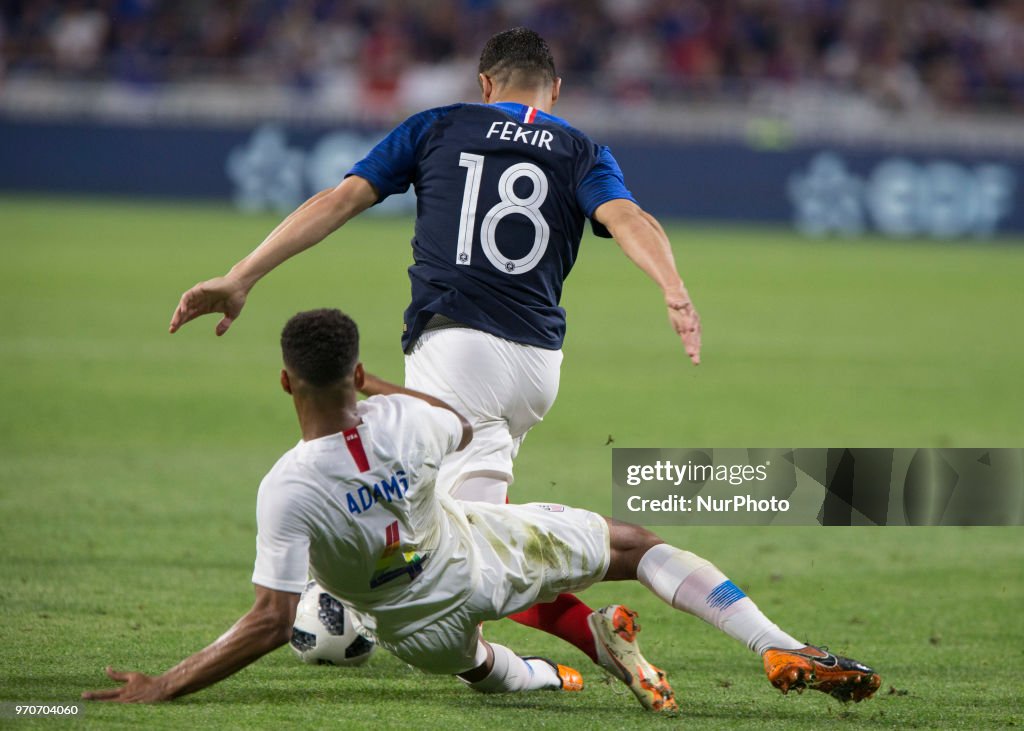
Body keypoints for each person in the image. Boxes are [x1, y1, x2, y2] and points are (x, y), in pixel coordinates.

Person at [167, 25, 700, 686]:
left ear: (483, 84)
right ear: (555, 91)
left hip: (456, 349)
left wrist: (242, 274)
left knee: (454, 557)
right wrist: (673, 288)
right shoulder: (581, 147)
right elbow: (629, 219)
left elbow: (338, 200)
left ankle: (579, 640)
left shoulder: (439, 125)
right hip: (538, 365)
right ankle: (588, 637)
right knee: (469, 540)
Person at [85, 310, 879, 711]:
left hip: (415, 621)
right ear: (358, 372)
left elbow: (267, 619)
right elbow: (459, 423)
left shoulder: (287, 487)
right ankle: (778, 645)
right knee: (636, 544)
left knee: (479, 667)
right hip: (485, 551)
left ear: (286, 383)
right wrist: (384, 390)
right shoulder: (406, 421)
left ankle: (562, 676)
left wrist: (167, 682)